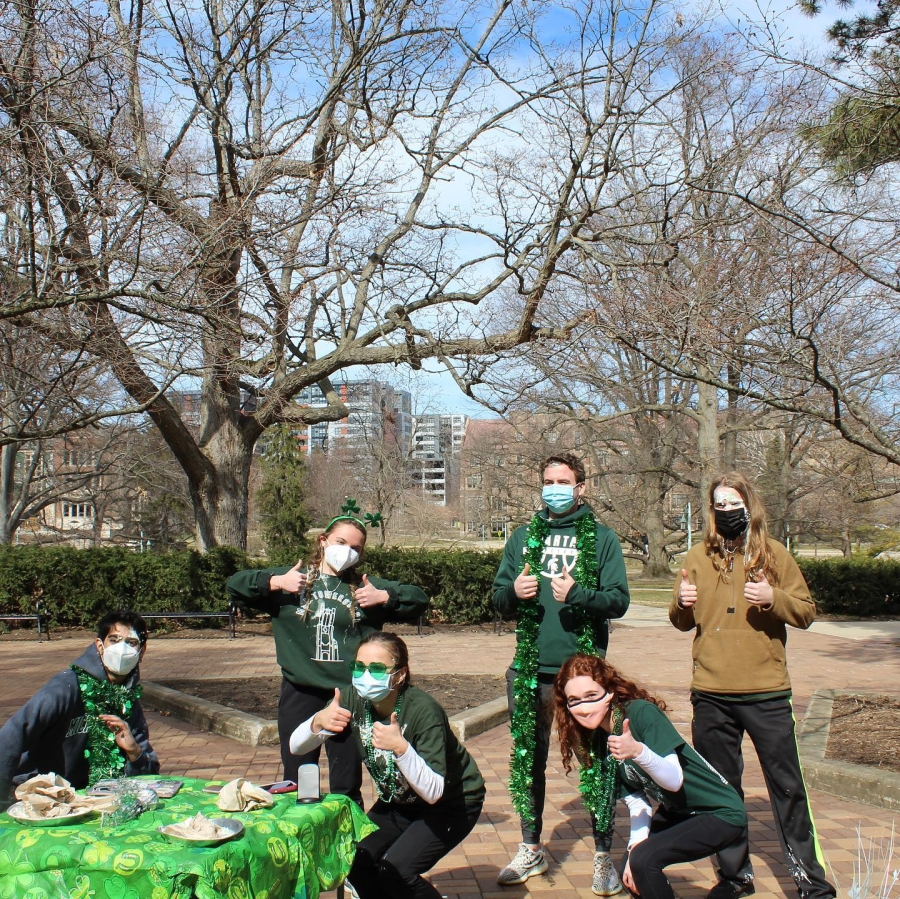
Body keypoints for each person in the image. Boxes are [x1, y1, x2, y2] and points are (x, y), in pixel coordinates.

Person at [670, 472, 835, 899]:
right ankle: (734, 877)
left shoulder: (774, 555)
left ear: (749, 505)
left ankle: (811, 884)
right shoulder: (695, 556)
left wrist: (772, 598)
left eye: (733, 502)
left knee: (788, 790)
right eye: (719, 504)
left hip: (767, 693)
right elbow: (682, 619)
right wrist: (680, 604)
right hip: (711, 695)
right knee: (722, 795)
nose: (726, 511)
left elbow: (806, 611)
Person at [493, 452, 630, 892]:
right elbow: (496, 599)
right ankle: (531, 848)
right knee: (527, 763)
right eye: (547, 479)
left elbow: (618, 601)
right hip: (530, 670)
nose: (554, 487)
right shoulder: (521, 537)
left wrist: (580, 594)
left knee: (596, 762)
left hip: (584, 673)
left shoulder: (603, 538)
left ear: (580, 487)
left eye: (563, 480)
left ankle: (604, 855)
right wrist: (513, 591)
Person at [226, 514, 429, 802]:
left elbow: (419, 599)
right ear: (323, 541)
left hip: (347, 695)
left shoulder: (365, 586)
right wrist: (274, 582)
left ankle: (347, 839)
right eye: (340, 542)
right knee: (296, 778)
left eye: (356, 548)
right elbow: (235, 584)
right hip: (301, 692)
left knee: (346, 781)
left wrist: (385, 597)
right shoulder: (293, 578)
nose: (347, 551)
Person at [290, 631, 485, 899]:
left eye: (377, 668)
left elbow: (433, 792)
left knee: (397, 871)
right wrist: (317, 722)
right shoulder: (351, 700)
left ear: (400, 674)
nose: (365, 675)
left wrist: (401, 748)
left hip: (452, 803)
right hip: (399, 801)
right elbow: (296, 747)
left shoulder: (423, 711)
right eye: (359, 667)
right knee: (355, 861)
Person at [554, 653, 748, 899]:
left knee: (644, 862)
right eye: (574, 701)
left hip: (721, 813)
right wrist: (635, 845)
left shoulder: (640, 714)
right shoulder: (596, 739)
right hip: (680, 812)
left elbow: (674, 780)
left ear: (610, 692)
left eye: (591, 696)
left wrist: (637, 751)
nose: (584, 708)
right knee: (631, 867)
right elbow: (635, 798)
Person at [0, 610, 159, 809]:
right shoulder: (65, 688)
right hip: (42, 798)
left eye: (131, 642)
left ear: (141, 651)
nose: (122, 649)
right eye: (115, 640)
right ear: (100, 646)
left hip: (95, 800)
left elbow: (150, 778)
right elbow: (10, 737)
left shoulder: (128, 699)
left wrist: (134, 751)